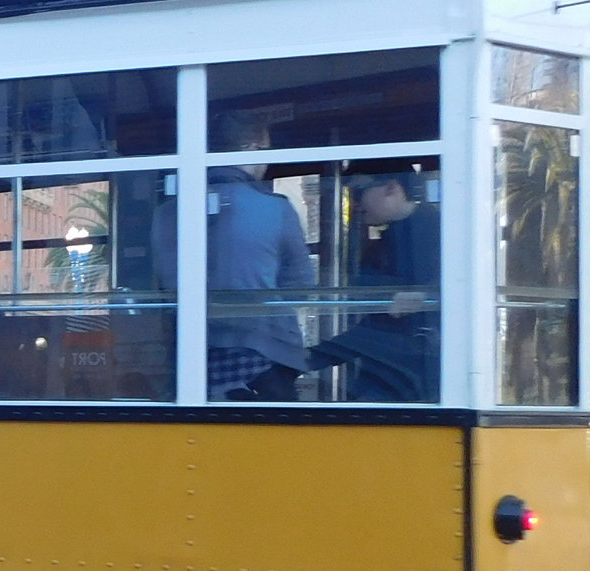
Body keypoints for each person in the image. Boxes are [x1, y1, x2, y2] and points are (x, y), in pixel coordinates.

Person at [156, 113, 314, 399]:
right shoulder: (276, 209)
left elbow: (166, 283)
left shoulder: (167, 212)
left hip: (192, 356)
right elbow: (302, 286)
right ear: (253, 147)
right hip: (265, 355)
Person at [312, 170, 440, 401]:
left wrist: (425, 294)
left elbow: (458, 285)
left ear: (392, 188)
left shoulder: (441, 231)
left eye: (358, 193)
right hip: (391, 365)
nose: (355, 204)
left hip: (414, 370)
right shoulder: (396, 234)